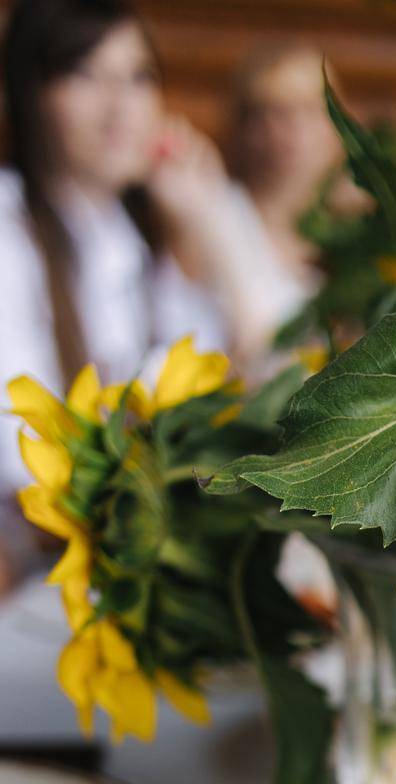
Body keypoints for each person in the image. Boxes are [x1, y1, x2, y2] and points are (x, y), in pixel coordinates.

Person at [0, 0, 297, 588]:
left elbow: (263, 369)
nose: (121, 109)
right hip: (44, 580)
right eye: (86, 75)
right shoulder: (10, 226)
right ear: (30, 91)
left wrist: (209, 224)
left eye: (138, 77)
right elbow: (22, 467)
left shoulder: (134, 235)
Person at [227, 43, 342, 316]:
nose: (295, 127)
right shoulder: (221, 214)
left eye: (311, 108)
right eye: (275, 111)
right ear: (246, 127)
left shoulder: (355, 226)